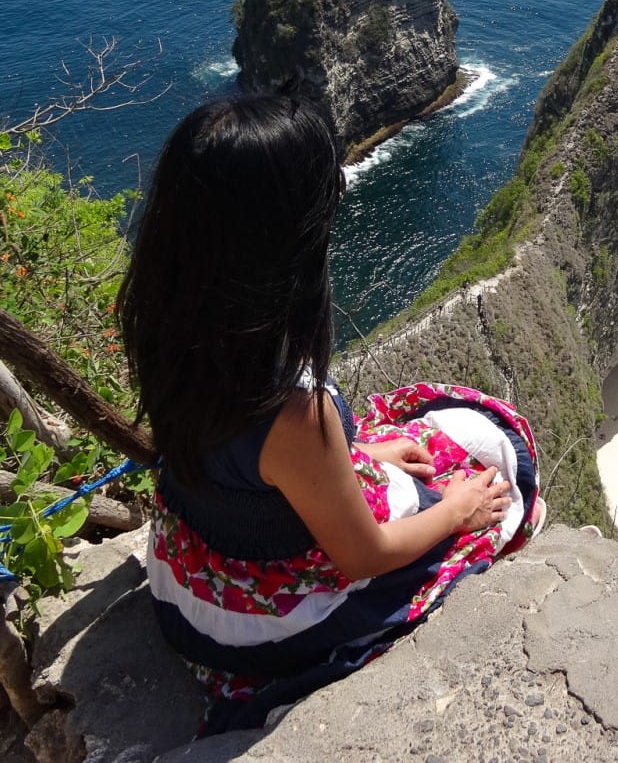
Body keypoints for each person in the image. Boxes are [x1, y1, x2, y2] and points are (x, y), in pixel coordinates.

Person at [118, 92, 542, 734]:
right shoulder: (290, 405)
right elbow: (364, 556)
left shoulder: (166, 321)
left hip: (189, 575)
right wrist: (457, 510)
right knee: (497, 458)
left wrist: (355, 458)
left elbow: (239, 461)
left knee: (434, 437)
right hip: (258, 621)